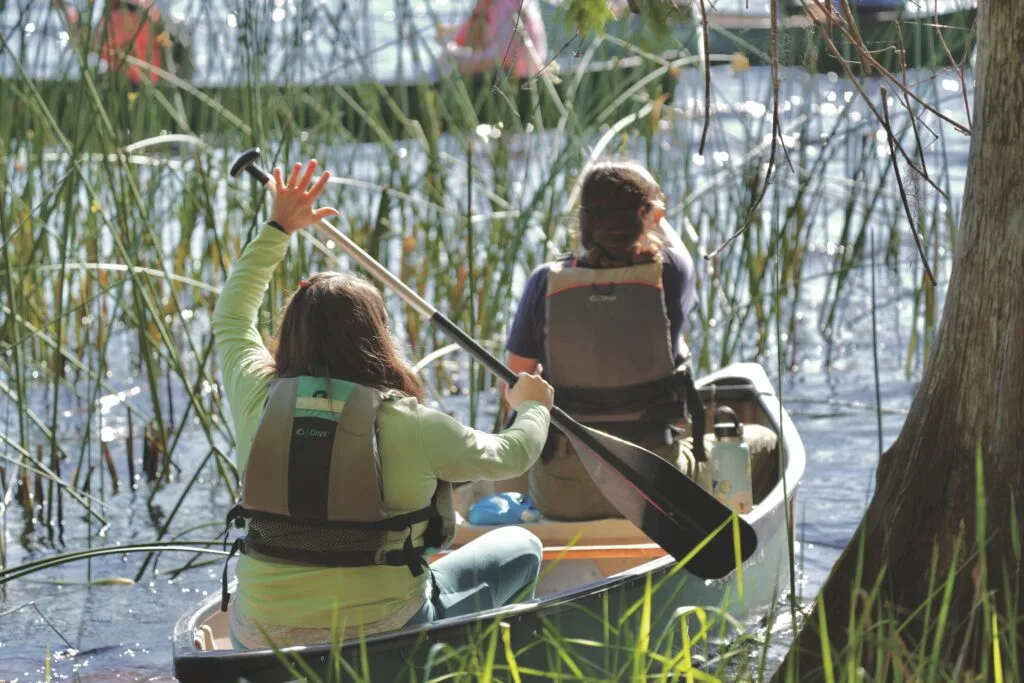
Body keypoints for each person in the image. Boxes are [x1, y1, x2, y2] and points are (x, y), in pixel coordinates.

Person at [213, 160, 555, 649]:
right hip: (385, 634)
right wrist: (533, 405)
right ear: (377, 338)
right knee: (522, 546)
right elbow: (512, 454)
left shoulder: (256, 395)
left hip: (258, 638)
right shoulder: (410, 421)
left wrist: (279, 227)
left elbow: (232, 317)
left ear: (290, 334)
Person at [503, 159, 777, 521]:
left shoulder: (543, 283)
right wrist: (654, 208)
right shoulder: (671, 274)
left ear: (584, 223)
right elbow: (671, 243)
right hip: (656, 487)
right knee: (768, 444)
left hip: (562, 492)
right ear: (647, 216)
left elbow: (513, 386)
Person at [55, 0, 190, 87]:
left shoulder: (123, 17)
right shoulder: (149, 13)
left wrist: (67, 12)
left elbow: (90, 44)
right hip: (149, 83)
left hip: (136, 87)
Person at [436, 0, 549, 79]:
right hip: (503, 77)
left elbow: (503, 57)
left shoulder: (507, 5)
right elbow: (465, 39)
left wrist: (454, 55)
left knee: (446, 60)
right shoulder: (487, 5)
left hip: (517, 84)